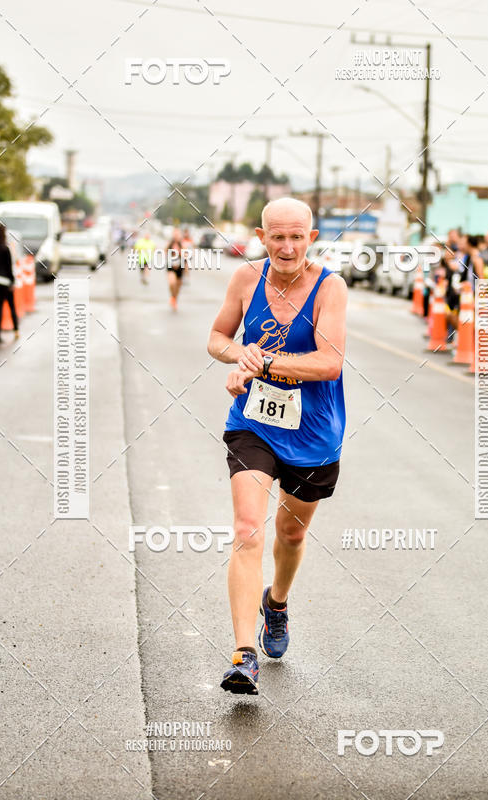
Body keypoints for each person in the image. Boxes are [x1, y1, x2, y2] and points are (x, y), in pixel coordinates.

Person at [207, 197, 347, 695]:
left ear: (312, 237)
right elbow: (218, 338)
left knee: (289, 536)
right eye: (277, 236)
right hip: (254, 424)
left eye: (296, 236)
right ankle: (244, 655)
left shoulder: (331, 288)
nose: (286, 246)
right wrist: (237, 354)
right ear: (262, 236)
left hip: (313, 433)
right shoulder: (247, 280)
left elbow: (329, 363)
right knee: (248, 529)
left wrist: (259, 364)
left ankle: (278, 602)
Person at [165, 228, 184, 310]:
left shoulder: (182, 245)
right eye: (175, 234)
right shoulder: (170, 243)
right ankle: (172, 297)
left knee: (178, 286)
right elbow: (165, 251)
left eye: (178, 234)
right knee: (172, 283)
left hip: (180, 266)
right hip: (171, 266)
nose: (176, 236)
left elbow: (187, 254)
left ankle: (174, 298)